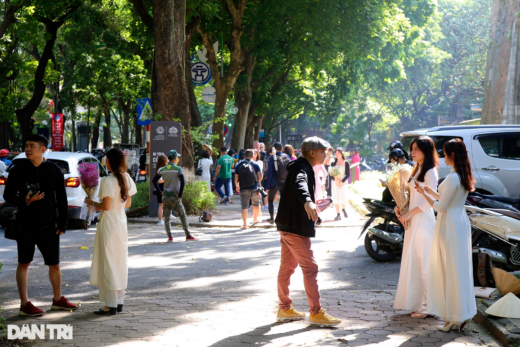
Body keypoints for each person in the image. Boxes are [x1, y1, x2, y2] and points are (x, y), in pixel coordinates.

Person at [3, 134, 77, 316]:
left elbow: (62, 197)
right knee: (24, 263)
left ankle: (58, 299)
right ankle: (24, 304)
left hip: (49, 225)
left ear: (43, 149)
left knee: (55, 264)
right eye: (26, 145)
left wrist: (63, 222)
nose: (27, 149)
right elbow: (7, 196)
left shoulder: (54, 169)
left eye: (32, 146)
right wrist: (23, 199)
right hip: (25, 224)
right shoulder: (18, 170)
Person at [275, 136, 341, 326]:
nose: (326, 154)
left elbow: (298, 191)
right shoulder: (301, 168)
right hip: (294, 228)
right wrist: (308, 200)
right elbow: (300, 184)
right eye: (323, 151)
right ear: (312, 152)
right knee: (310, 268)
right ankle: (315, 312)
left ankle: (284, 309)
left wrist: (315, 213)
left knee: (287, 268)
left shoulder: (302, 166)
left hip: (288, 225)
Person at [416, 138, 476, 331]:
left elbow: (441, 207)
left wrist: (424, 194)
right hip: (458, 222)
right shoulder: (461, 175)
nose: (443, 156)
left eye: (445, 153)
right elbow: (446, 199)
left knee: (449, 270)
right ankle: (460, 314)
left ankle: (453, 317)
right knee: (459, 269)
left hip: (449, 225)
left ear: (452, 155)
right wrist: (430, 191)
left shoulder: (452, 178)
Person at [86, 148, 137, 315]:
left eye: (106, 159)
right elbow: (128, 204)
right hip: (120, 221)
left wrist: (91, 202)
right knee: (119, 261)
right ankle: (119, 302)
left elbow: (106, 207)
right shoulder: (127, 178)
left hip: (109, 222)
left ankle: (110, 305)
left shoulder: (108, 180)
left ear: (109, 162)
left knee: (108, 261)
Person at [394, 136, 439, 318]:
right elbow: (411, 196)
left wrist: (408, 214)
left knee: (424, 264)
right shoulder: (417, 168)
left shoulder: (430, 172)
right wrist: (400, 208)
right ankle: (417, 303)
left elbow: (431, 201)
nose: (412, 152)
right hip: (412, 221)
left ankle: (428, 306)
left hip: (424, 221)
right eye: (411, 149)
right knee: (413, 262)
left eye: (416, 149)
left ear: (426, 151)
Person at [153, 150, 198, 242]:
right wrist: (180, 195)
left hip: (165, 196)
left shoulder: (162, 169)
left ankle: (170, 237)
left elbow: (154, 181)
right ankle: (188, 235)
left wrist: (160, 192)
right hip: (174, 196)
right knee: (182, 216)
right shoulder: (178, 169)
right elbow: (183, 182)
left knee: (166, 217)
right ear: (175, 158)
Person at [235, 149, 263, 230]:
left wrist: (237, 186)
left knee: (244, 207)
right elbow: (260, 176)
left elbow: (236, 177)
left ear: (244, 155)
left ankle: (244, 225)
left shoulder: (239, 165)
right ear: (253, 155)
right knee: (256, 204)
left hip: (243, 188)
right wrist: (257, 182)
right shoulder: (255, 164)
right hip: (254, 188)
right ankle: (255, 219)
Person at [265, 142, 291, 224]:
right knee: (284, 201)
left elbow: (270, 173)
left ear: (274, 149)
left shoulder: (272, 157)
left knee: (270, 200)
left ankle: (272, 218)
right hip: (284, 182)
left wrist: (267, 186)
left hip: (274, 182)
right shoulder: (286, 156)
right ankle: (284, 218)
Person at [330, 147, 350, 220]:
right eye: (336, 153)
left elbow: (348, 174)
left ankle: (343, 209)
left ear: (342, 154)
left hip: (342, 183)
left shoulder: (346, 163)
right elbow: (331, 173)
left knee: (343, 196)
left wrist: (342, 181)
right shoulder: (333, 163)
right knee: (336, 197)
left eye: (338, 153)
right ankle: (338, 214)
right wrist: (334, 179)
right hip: (334, 182)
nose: (337, 154)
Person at [154, 155, 168, 226]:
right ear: (164, 162)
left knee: (164, 204)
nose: (168, 161)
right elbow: (159, 181)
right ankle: (160, 220)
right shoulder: (161, 169)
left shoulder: (160, 169)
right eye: (166, 160)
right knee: (161, 205)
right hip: (160, 189)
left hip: (163, 188)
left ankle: (167, 216)